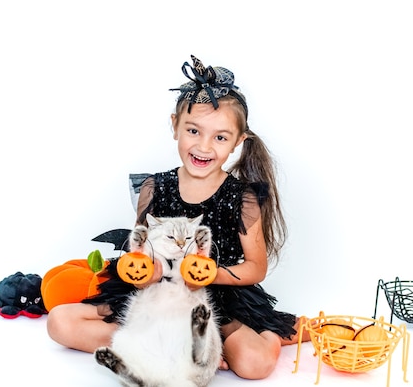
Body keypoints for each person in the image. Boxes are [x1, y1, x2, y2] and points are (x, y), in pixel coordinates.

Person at [47, 55, 307, 380]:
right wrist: (145, 271)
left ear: (238, 143)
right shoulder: (155, 187)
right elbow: (140, 249)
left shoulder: (243, 198)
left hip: (216, 296)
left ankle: (275, 333)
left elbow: (256, 267)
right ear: (175, 126)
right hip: (159, 300)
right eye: (193, 130)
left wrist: (211, 274)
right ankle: (177, 352)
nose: (203, 146)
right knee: (60, 322)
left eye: (220, 137)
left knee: (254, 364)